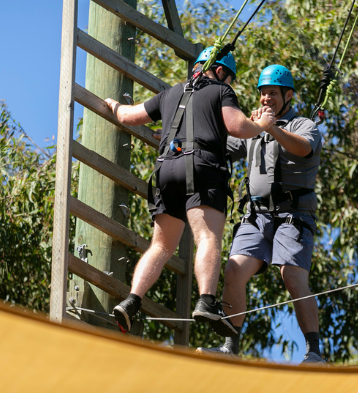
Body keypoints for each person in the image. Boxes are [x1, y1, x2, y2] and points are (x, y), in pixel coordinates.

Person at [103, 47, 276, 338]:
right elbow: (236, 127)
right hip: (202, 169)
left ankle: (131, 301)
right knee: (207, 236)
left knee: (160, 246)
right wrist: (262, 124)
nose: (229, 83)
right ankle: (206, 301)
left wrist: (112, 105)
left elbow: (129, 116)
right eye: (230, 78)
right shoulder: (222, 91)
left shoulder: (170, 93)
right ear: (221, 72)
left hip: (165, 170)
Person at [197, 65, 326, 364]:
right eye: (263, 93)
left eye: (273, 94)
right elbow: (220, 146)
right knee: (234, 270)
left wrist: (271, 128)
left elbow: (303, 149)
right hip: (257, 215)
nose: (266, 99)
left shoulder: (303, 125)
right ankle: (231, 347)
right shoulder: (254, 126)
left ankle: (314, 352)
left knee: (292, 275)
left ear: (288, 95)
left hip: (293, 214)